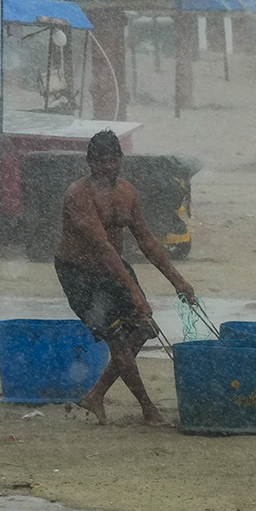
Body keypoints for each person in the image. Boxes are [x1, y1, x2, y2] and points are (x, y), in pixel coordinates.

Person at [54, 130, 197, 425]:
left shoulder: (127, 192)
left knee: (143, 329)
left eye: (113, 160)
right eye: (101, 161)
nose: (108, 167)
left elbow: (146, 241)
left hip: (113, 267)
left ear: (121, 160)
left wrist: (178, 281)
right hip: (79, 272)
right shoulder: (78, 195)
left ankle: (95, 396)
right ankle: (148, 409)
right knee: (117, 339)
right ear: (90, 163)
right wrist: (135, 293)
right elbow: (103, 247)